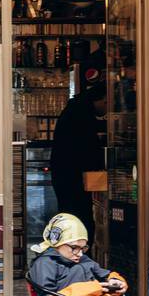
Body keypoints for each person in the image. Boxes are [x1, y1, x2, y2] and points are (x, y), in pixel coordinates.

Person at [49, 81, 106, 240]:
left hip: (64, 174)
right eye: (107, 104)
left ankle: (72, 253)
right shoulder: (82, 113)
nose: (106, 108)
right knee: (79, 218)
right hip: (71, 177)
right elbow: (87, 145)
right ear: (101, 100)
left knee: (71, 216)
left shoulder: (76, 108)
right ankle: (77, 254)